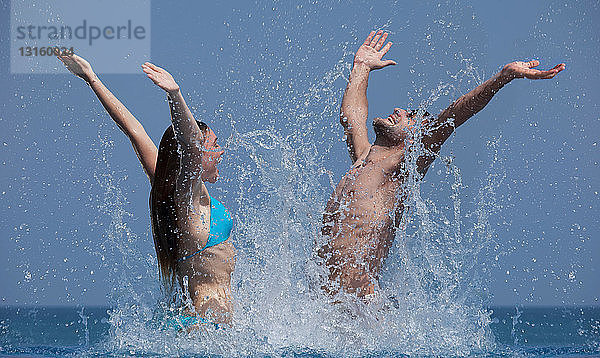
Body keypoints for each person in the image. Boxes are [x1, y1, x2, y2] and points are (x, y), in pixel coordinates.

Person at [317, 30, 565, 300]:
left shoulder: (402, 166)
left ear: (416, 137)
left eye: (410, 116)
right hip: (328, 307)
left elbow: (455, 114)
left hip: (359, 310)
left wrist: (502, 78)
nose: (399, 110)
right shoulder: (364, 157)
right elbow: (351, 115)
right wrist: (361, 67)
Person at [57, 55, 235, 326]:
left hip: (203, 327)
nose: (220, 152)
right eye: (214, 146)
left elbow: (133, 130)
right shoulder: (187, 199)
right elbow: (190, 142)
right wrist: (175, 95)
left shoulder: (169, 189)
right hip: (205, 329)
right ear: (196, 156)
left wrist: (92, 79)